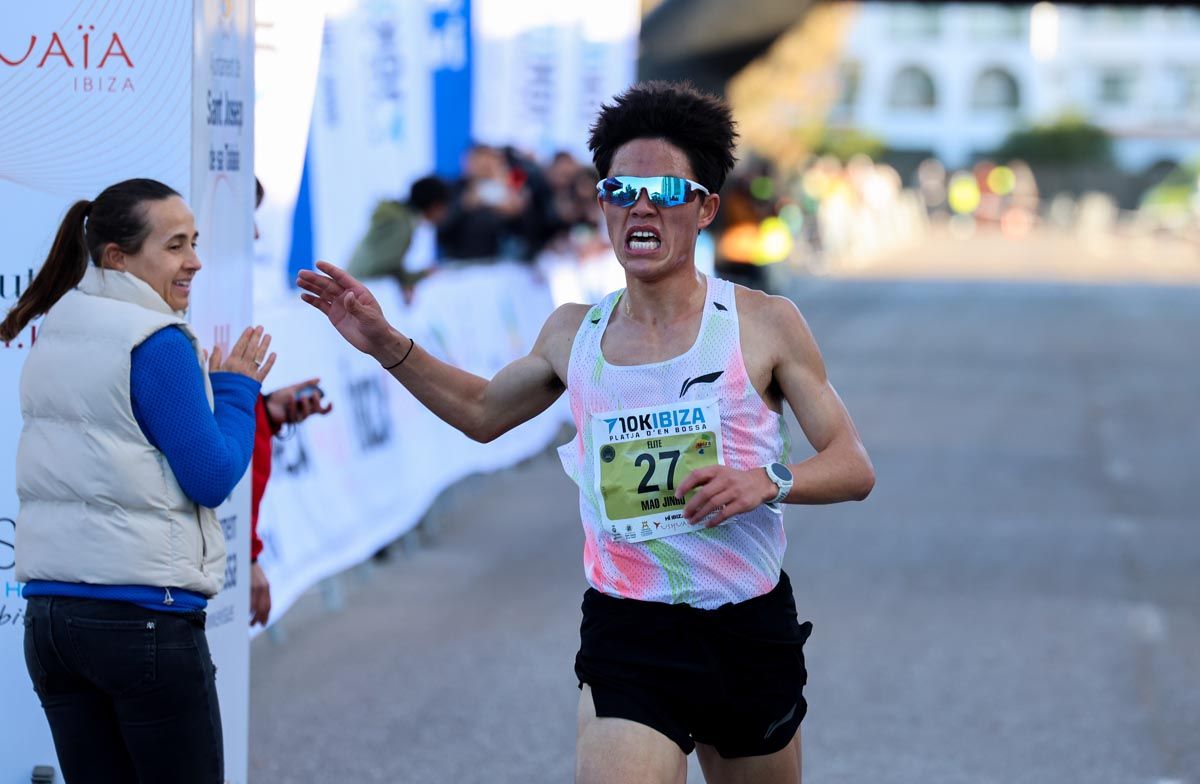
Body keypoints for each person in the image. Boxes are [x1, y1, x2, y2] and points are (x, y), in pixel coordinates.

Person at [297, 81, 875, 784]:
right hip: (629, 631)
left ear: (704, 208)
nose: (639, 205)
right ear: (601, 205)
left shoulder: (762, 324)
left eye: (664, 189)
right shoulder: (576, 331)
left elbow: (852, 466)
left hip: (746, 626)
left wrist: (767, 481)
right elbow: (483, 414)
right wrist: (387, 343)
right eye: (619, 188)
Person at [2, 178, 273, 784]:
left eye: (194, 242)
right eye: (176, 245)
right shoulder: (156, 341)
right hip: (143, 618)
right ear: (116, 258)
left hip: (51, 622)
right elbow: (210, 476)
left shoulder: (60, 324)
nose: (195, 261)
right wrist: (236, 392)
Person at [249, 176, 333, 626]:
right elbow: (206, 459)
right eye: (247, 220)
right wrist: (245, 555)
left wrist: (262, 410)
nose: (259, 235)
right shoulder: (169, 334)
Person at [346, 175, 451, 290]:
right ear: (435, 206)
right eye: (445, 207)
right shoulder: (402, 225)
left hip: (358, 283)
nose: (445, 214)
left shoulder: (399, 217)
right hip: (361, 287)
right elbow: (386, 266)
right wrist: (419, 276)